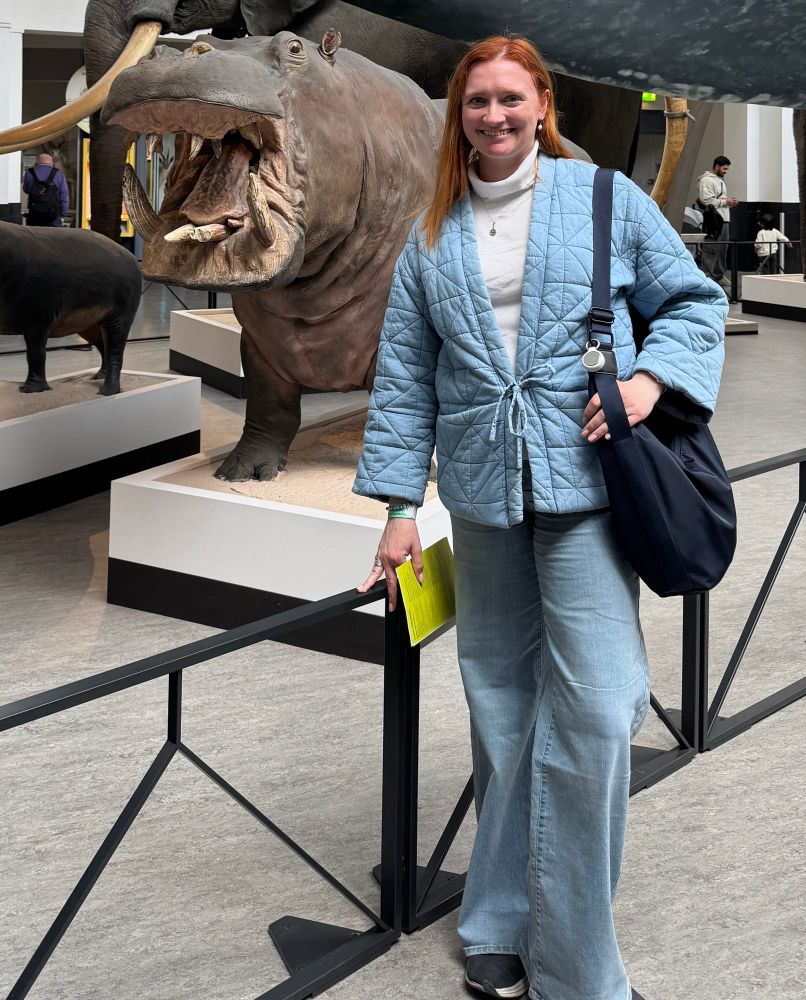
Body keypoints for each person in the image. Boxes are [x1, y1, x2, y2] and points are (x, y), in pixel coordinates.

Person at [354, 33, 727, 1000]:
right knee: (502, 710)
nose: (494, 116)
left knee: (601, 708)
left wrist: (647, 384)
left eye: (510, 99)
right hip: (481, 497)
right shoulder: (429, 232)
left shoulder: (601, 196)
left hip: (588, 491)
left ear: (542, 103)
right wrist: (400, 506)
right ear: (458, 113)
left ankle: (576, 968)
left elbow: (692, 303)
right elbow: (403, 380)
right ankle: (495, 919)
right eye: (477, 101)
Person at [696, 155, 738, 284]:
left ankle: (718, 275)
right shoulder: (707, 180)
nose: (726, 171)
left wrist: (727, 202)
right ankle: (707, 277)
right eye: (724, 169)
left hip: (722, 218)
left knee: (722, 249)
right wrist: (726, 201)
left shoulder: (718, 180)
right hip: (713, 219)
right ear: (717, 166)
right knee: (711, 248)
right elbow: (706, 200)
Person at [23, 153, 69, 227]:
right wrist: (63, 215)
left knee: (34, 237)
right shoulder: (59, 174)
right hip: (53, 217)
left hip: (34, 214)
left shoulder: (29, 172)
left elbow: (26, 190)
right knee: (53, 237)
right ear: (51, 163)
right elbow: (64, 196)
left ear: (37, 162)